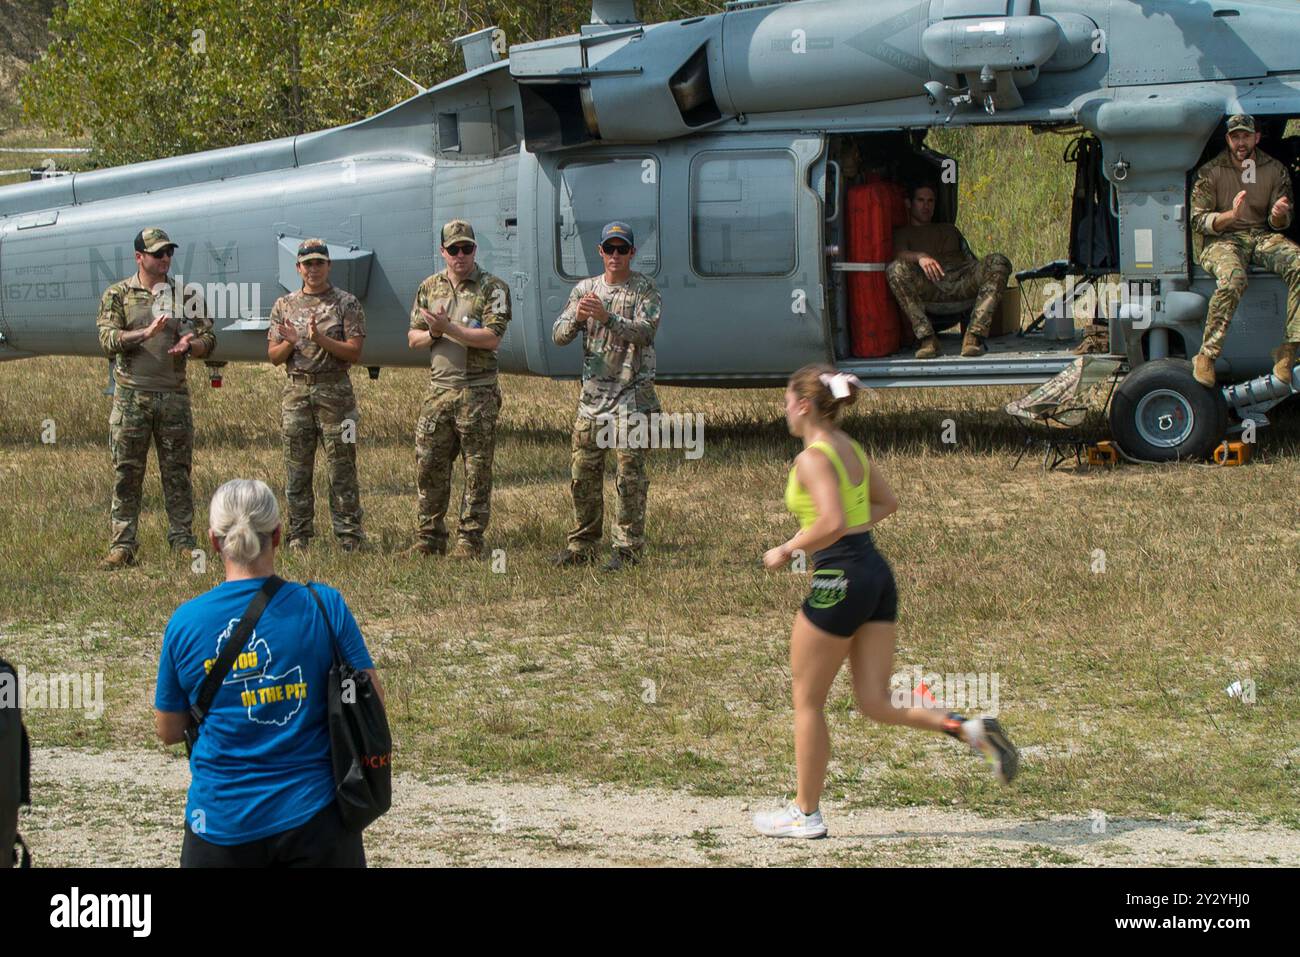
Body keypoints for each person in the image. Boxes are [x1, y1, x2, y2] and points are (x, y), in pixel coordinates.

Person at [753, 365, 1017, 839]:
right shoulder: (850, 447)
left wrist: (789, 548)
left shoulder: (812, 458)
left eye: (786, 400)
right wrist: (842, 534)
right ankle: (967, 728)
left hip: (839, 577)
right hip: (874, 572)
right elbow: (885, 503)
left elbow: (831, 519)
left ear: (805, 405)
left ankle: (805, 813)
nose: (783, 409)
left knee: (807, 702)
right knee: (874, 699)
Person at [154, 479, 381, 867]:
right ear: (277, 535)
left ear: (213, 543)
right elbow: (370, 698)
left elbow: (169, 731)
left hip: (219, 828)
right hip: (316, 821)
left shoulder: (185, 623)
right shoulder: (323, 606)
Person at [95, 227, 215, 569]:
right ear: (139, 258)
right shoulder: (118, 294)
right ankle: (123, 545)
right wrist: (144, 333)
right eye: (158, 253)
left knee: (177, 472)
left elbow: (209, 337)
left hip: (173, 396)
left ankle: (181, 539)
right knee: (127, 472)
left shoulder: (186, 294)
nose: (165, 259)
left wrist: (191, 345)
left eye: (168, 253)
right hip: (132, 397)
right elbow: (107, 338)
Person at [551, 222, 661, 572]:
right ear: (600, 252)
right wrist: (577, 319)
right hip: (593, 401)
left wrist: (607, 317)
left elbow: (645, 332)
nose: (615, 256)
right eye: (609, 249)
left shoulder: (644, 290)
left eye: (622, 249)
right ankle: (582, 543)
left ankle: (628, 548)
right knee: (583, 473)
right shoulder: (585, 290)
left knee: (629, 476)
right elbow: (558, 335)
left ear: (631, 253)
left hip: (632, 398)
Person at [406, 220, 511, 559]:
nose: (461, 255)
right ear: (443, 252)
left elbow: (492, 337)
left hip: (476, 392)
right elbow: (413, 339)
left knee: (476, 470)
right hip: (439, 392)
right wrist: (436, 334)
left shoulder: (492, 288)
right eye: (454, 249)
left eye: (467, 248)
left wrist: (447, 327)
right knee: (429, 466)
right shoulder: (429, 288)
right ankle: (429, 538)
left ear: (475, 250)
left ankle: (470, 539)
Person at [267, 239, 367, 552]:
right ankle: (299, 535)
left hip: (337, 395)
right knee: (297, 468)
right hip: (296, 393)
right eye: (307, 264)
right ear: (298, 268)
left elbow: (354, 352)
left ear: (329, 266)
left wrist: (319, 338)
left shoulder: (346, 303)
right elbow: (273, 356)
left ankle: (349, 535)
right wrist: (292, 342)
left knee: (342, 466)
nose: (313, 269)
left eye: (319, 263)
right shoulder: (284, 305)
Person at [1190, 113, 1300, 387]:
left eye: (1246, 136)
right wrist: (1228, 216)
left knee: (1299, 264)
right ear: (1227, 139)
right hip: (1221, 240)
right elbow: (1197, 220)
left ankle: (1288, 351)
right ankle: (1207, 356)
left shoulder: (1275, 170)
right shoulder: (1211, 172)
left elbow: (1282, 221)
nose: (1241, 142)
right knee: (1234, 279)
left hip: (1260, 236)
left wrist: (1278, 215)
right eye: (1235, 136)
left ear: (1257, 137)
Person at [885, 184, 1012, 359]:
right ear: (909, 203)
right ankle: (927, 339)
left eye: (930, 201)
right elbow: (898, 254)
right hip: (931, 286)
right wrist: (921, 257)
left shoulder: (949, 229)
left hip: (961, 281)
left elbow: (971, 259)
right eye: (920, 200)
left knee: (999, 262)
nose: (926, 206)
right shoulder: (903, 233)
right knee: (895, 270)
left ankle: (974, 335)